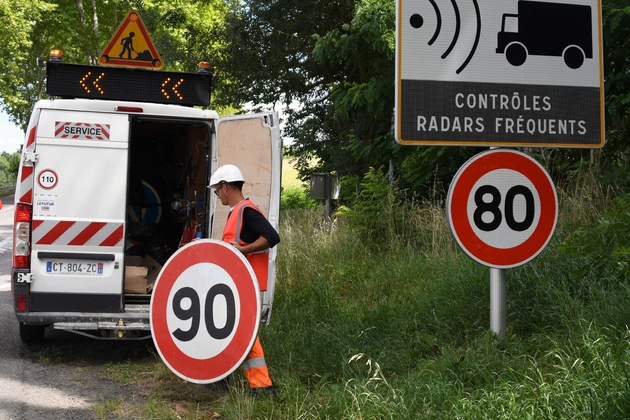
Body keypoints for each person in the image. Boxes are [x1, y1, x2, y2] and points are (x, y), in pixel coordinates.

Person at [208, 164, 279, 397]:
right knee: (229, 329)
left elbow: (272, 236)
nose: (217, 196)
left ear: (225, 187)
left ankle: (261, 385)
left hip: (245, 284)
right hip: (235, 283)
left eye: (217, 191)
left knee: (244, 332)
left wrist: (243, 251)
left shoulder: (246, 211)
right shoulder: (236, 212)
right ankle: (222, 376)